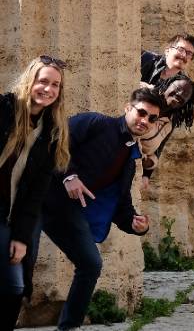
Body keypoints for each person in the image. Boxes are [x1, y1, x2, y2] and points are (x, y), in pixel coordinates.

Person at [38, 88, 165, 330]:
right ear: (128, 108)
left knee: (90, 265)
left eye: (152, 118)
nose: (145, 121)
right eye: (141, 113)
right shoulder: (95, 122)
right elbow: (54, 139)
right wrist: (69, 176)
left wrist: (136, 223)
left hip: (66, 213)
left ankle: (68, 327)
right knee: (18, 272)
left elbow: (120, 203)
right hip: (37, 199)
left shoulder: (130, 157)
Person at [0, 56, 70, 330]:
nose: (48, 89)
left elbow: (35, 195)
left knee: (15, 285)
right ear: (30, 81)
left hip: (8, 214)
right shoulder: (4, 107)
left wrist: (21, 237)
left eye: (55, 85)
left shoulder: (52, 132)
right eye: (43, 81)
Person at [138, 74, 194, 184]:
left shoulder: (170, 121)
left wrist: (146, 174)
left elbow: (159, 149)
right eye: (178, 88)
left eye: (185, 95)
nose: (180, 94)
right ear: (168, 84)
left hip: (134, 167)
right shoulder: (144, 94)